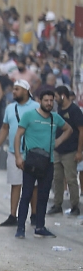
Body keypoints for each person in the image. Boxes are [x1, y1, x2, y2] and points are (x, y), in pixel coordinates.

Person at [14, 89, 72, 238]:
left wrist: (57, 142)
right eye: (46, 100)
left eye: (51, 101)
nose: (49, 103)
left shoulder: (55, 118)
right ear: (40, 101)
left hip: (48, 163)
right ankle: (20, 228)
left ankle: (40, 226)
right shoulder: (29, 116)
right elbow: (18, 135)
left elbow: (68, 129)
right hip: (31, 161)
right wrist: (18, 157)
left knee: (43, 196)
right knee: (26, 194)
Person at [0, 80, 40, 227]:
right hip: (14, 152)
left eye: (17, 89)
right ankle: (13, 215)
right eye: (13, 89)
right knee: (15, 183)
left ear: (26, 91)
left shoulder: (37, 107)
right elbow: (5, 128)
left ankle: (34, 214)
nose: (13, 92)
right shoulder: (10, 108)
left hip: (32, 152)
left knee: (33, 185)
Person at [48, 86, 83, 216]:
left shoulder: (74, 111)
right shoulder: (58, 110)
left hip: (70, 151)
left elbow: (81, 131)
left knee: (71, 179)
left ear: (63, 95)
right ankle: (57, 204)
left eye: (56, 96)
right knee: (57, 178)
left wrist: (79, 151)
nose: (55, 99)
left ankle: (75, 206)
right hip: (57, 150)